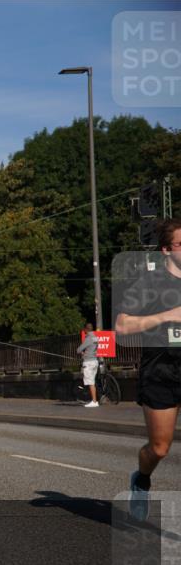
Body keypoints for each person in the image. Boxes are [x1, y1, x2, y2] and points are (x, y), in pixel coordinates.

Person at [116, 217, 181, 522]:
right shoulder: (150, 282)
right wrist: (168, 315)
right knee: (159, 448)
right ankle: (141, 480)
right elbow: (122, 327)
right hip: (161, 371)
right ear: (167, 250)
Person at [77, 323, 100, 407]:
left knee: (90, 382)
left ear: (86, 330)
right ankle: (93, 399)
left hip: (88, 362)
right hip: (94, 361)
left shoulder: (88, 338)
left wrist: (83, 353)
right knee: (92, 381)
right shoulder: (95, 337)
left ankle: (94, 401)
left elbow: (79, 350)